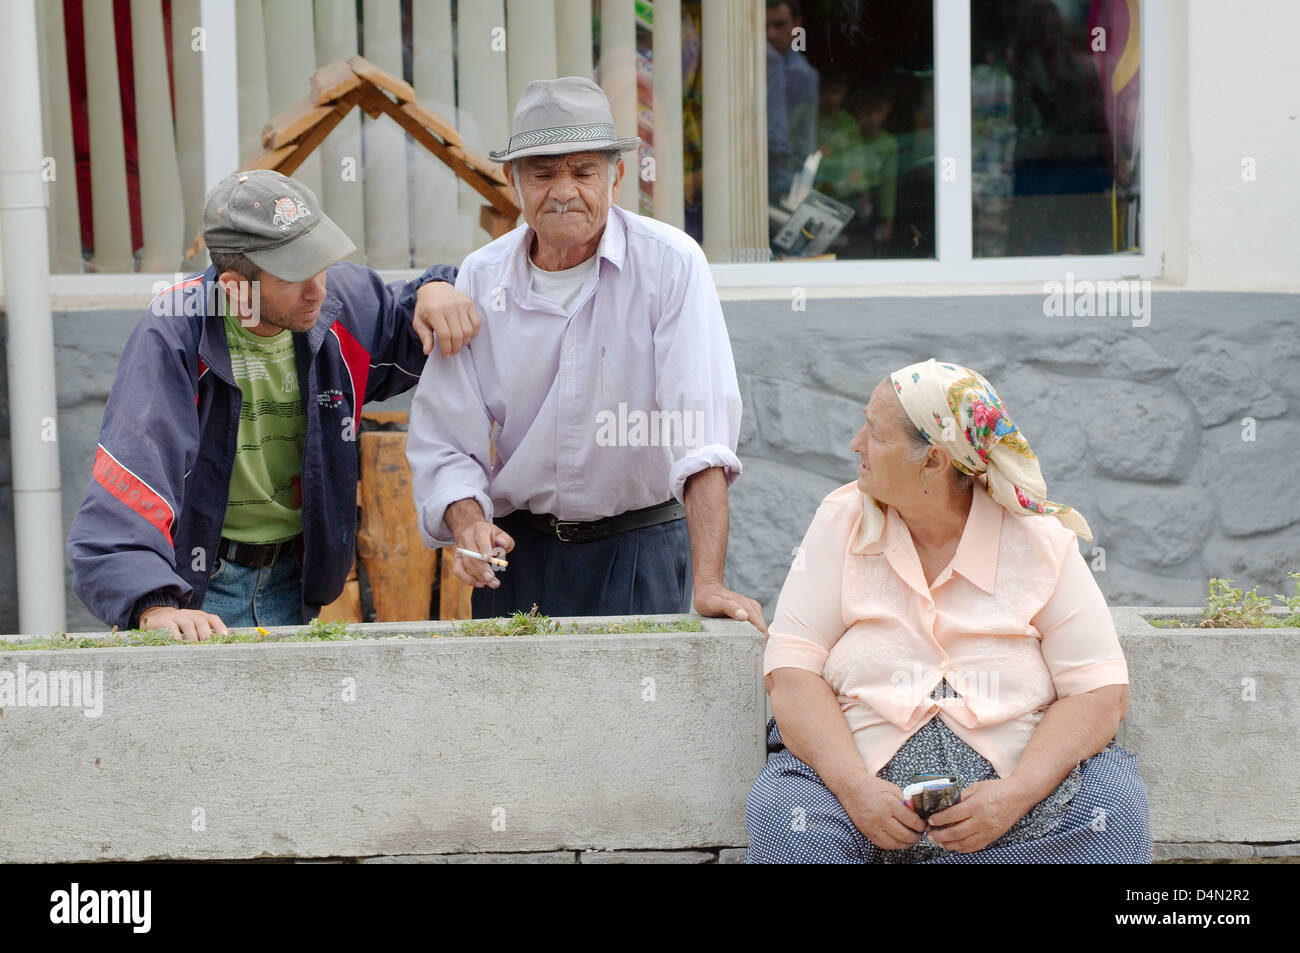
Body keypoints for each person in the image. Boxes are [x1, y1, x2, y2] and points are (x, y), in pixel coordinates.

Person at [746, 359, 1151, 863]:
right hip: (853, 795)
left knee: (1110, 807)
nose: (856, 444)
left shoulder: (1039, 539)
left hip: (1018, 802)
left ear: (934, 461)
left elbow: (1098, 691)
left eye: (874, 432)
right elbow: (792, 671)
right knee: (788, 817)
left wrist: (1016, 794)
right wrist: (855, 788)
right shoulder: (841, 520)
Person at [405, 77, 765, 632]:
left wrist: (710, 581)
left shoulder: (670, 263)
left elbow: (701, 430)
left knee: (639, 718)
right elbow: (446, 440)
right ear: (513, 181)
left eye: (583, 171)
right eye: (544, 174)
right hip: (517, 556)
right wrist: (469, 520)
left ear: (617, 177)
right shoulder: (481, 275)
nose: (564, 190)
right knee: (512, 717)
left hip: (640, 546)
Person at [67, 170, 480, 641]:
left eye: (320, 263)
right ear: (234, 285)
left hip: (295, 583)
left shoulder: (339, 302)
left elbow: (408, 318)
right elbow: (131, 477)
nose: (318, 289)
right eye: (294, 275)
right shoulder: (176, 331)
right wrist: (154, 602)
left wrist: (436, 288)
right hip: (198, 592)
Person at [766, 0, 820, 207]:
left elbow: (798, 143)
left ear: (797, 25)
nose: (770, 34)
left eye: (779, 25)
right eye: (764, 26)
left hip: (779, 182)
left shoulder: (800, 75)